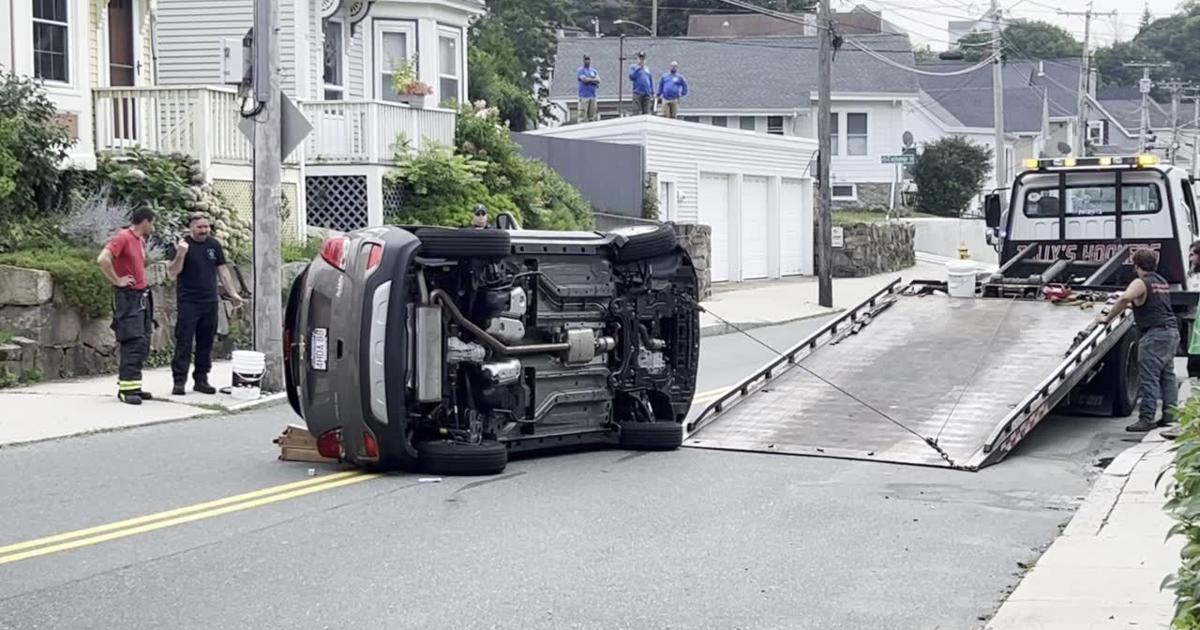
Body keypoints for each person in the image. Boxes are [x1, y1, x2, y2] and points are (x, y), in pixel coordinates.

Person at [1099, 248, 1179, 432]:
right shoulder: (1161, 282)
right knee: (1167, 376)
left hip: (1154, 335)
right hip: (1171, 332)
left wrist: (1107, 318)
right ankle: (1170, 416)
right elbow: (1147, 302)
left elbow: (1125, 297)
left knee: (1149, 377)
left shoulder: (1140, 282)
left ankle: (1146, 418)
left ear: (1136, 265)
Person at [168, 213, 244, 396]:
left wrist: (232, 293)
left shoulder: (213, 245)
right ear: (191, 228)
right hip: (188, 301)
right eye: (199, 227)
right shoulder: (182, 245)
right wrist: (180, 255)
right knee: (184, 341)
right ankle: (179, 382)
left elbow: (223, 271)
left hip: (209, 301)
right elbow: (172, 272)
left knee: (206, 341)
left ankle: (201, 380)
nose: (204, 230)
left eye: (206, 227)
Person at [96, 206, 157, 405]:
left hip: (141, 296)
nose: (153, 226)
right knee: (133, 340)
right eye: (153, 222)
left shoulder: (140, 240)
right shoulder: (123, 237)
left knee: (143, 342)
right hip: (128, 297)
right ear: (145, 221)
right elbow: (103, 259)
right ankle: (126, 390)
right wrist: (117, 280)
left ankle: (134, 385)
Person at [628, 52, 654, 116]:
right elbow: (631, 77)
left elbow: (650, 80)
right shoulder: (633, 67)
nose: (641, 60)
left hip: (647, 93)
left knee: (646, 112)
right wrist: (639, 68)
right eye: (640, 58)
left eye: (643, 59)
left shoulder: (647, 69)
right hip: (638, 92)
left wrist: (652, 91)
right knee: (636, 110)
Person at [577, 55, 600, 123]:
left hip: (593, 96)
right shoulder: (580, 70)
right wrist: (593, 80)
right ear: (583, 60)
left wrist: (589, 79)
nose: (587, 61)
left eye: (588, 59)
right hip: (584, 96)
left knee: (592, 117)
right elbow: (584, 80)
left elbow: (598, 80)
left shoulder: (594, 71)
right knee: (582, 117)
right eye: (586, 59)